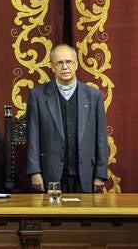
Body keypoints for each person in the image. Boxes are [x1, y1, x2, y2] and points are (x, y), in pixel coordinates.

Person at [26, 43, 108, 193]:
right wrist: (34, 171)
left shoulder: (94, 96)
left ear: (76, 64)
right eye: (59, 63)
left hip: (86, 176)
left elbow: (101, 138)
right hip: (51, 175)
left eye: (69, 62)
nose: (65, 67)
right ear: (52, 67)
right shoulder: (37, 96)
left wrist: (100, 174)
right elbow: (33, 137)